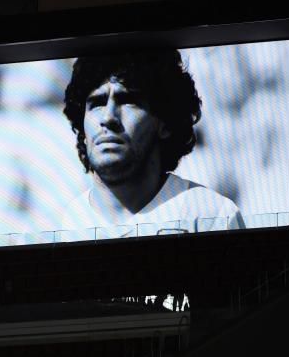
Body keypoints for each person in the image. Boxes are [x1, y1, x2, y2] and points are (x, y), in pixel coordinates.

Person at [58, 49, 245, 241]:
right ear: (83, 128)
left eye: (128, 101)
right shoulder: (72, 221)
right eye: (97, 103)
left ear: (165, 122)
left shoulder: (210, 215)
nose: (108, 117)